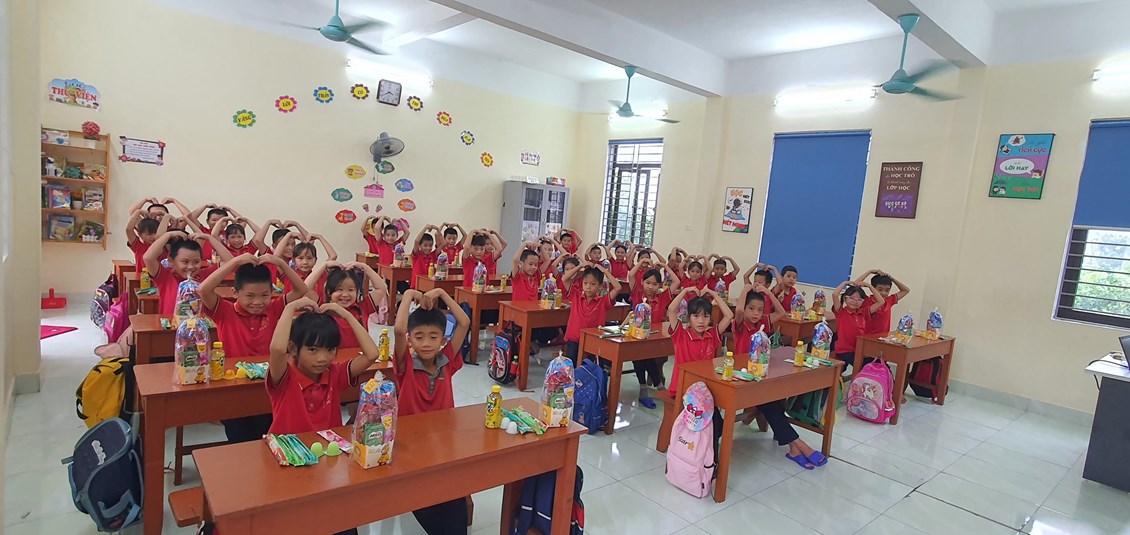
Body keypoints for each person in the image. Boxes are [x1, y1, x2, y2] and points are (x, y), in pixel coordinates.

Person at [266, 296, 380, 535]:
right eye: (312, 349)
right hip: (291, 464)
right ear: (293, 349)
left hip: (329, 461)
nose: (322, 358)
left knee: (341, 523)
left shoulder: (334, 374)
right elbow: (276, 349)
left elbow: (371, 354)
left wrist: (346, 315)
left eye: (330, 350)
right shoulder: (284, 377)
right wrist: (290, 307)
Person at [200, 253, 309, 443]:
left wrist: (280, 263)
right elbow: (203, 290)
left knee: (267, 435)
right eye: (250, 296)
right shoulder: (224, 311)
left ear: (272, 292)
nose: (258, 302)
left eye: (265, 295)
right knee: (239, 438)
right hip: (234, 387)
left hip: (268, 385)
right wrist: (234, 262)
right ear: (235, 293)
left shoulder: (273, 308)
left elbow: (301, 289)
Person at [392, 288, 471, 534]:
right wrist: (408, 294)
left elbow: (464, 322)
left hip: (443, 441)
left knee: (453, 505)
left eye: (433, 337)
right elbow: (398, 329)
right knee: (426, 502)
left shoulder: (447, 360)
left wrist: (442, 294)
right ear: (410, 339)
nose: (426, 343)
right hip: (411, 443)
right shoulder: (405, 364)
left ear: (442, 340)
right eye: (419, 337)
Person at [729, 283, 827, 469]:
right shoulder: (741, 325)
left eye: (760, 309)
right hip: (741, 379)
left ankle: (794, 447)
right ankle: (799, 444)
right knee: (771, 405)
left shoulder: (763, 323)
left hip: (760, 377)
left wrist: (768, 292)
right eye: (752, 309)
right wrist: (745, 289)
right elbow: (739, 310)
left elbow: (781, 312)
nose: (755, 313)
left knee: (773, 402)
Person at [627, 261, 681, 408]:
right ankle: (647, 388)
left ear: (659, 286)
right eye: (648, 283)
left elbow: (676, 281)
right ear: (642, 282)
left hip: (655, 338)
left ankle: (656, 386)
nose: (650, 287)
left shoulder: (662, 298)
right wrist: (641, 262)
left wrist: (665, 266)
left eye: (655, 284)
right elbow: (631, 275)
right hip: (637, 337)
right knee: (640, 357)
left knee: (649, 358)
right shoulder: (637, 295)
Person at [143, 230, 232, 315]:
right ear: (171, 261)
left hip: (200, 325)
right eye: (185, 262)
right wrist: (168, 235)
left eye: (196, 262)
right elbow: (148, 258)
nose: (190, 267)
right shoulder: (165, 278)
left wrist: (210, 238)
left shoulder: (206, 276)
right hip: (171, 325)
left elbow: (230, 262)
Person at [306, 261, 388, 348]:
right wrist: (324, 266)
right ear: (329, 292)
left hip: (358, 355)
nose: (345, 294)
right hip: (332, 355)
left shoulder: (362, 307)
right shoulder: (324, 308)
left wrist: (365, 267)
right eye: (339, 289)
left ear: (357, 292)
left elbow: (382, 288)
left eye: (351, 290)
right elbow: (305, 288)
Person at [561, 263, 622, 364]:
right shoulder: (576, 296)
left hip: (592, 340)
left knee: (588, 366)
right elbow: (564, 279)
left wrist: (605, 271)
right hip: (574, 339)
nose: (588, 287)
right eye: (585, 283)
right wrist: (580, 266)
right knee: (571, 365)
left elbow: (618, 288)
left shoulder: (602, 301)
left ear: (600, 286)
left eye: (593, 284)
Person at [831, 281, 884, 368]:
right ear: (845, 298)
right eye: (851, 298)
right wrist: (845, 283)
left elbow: (881, 302)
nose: (855, 301)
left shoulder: (863, 313)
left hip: (859, 349)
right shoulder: (841, 312)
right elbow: (834, 295)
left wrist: (869, 286)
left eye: (859, 300)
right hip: (844, 350)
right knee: (862, 365)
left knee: (878, 361)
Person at [856, 269, 911, 334]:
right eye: (880, 289)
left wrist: (892, 279)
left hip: (883, 337)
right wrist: (869, 272)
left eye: (887, 290)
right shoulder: (866, 300)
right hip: (866, 337)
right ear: (872, 289)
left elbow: (905, 290)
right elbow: (855, 285)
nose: (884, 293)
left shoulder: (889, 300)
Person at [410, 225, 440, 289]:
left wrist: (437, 229)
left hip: (429, 286)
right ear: (420, 246)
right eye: (425, 245)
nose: (428, 248)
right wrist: (425, 228)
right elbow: (416, 241)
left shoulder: (433, 255)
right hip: (416, 287)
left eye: (430, 245)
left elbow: (442, 244)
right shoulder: (417, 254)